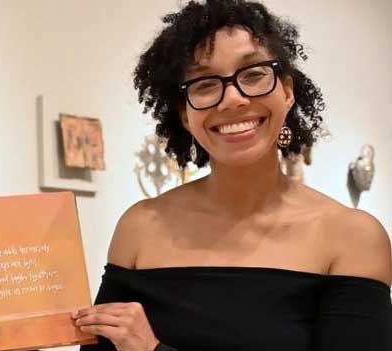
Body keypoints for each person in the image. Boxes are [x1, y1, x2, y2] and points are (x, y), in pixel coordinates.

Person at [70, 0, 392, 350]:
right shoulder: (141, 227)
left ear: (287, 92)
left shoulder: (352, 238)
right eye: (205, 84)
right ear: (184, 114)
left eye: (254, 74)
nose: (233, 99)